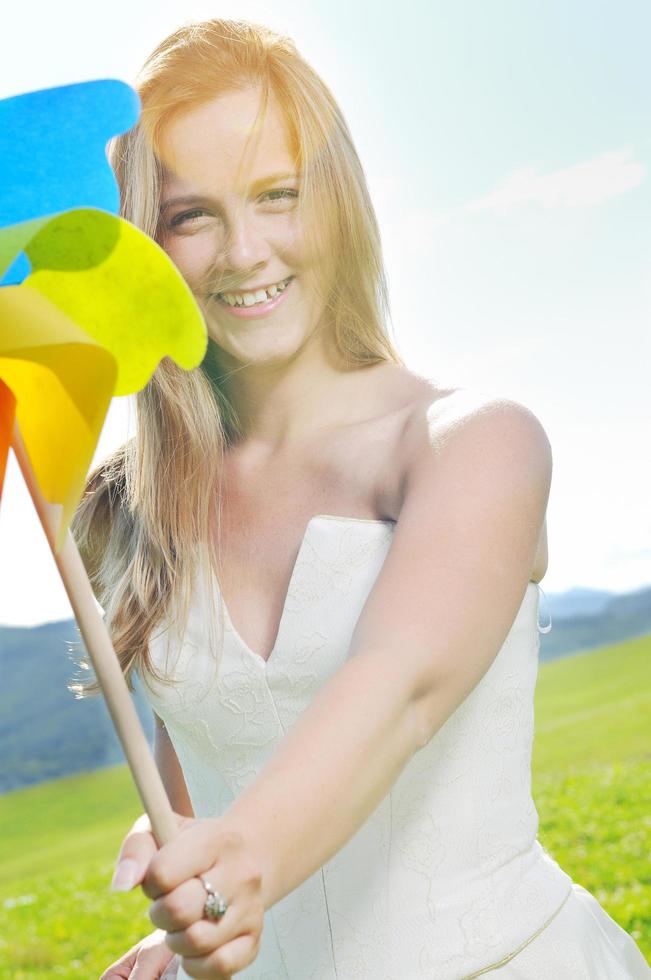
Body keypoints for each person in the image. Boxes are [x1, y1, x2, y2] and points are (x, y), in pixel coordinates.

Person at [69, 17, 650, 980]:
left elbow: (398, 691)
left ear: (334, 203)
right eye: (191, 215)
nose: (244, 250)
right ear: (146, 242)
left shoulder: (474, 444)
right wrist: (183, 904)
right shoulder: (123, 512)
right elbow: (210, 766)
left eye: (276, 196)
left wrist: (244, 865)